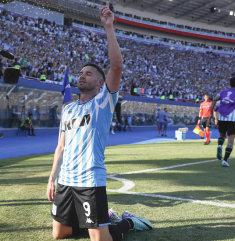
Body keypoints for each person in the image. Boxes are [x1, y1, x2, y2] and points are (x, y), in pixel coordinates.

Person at [46, 3, 152, 241]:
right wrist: (52, 178)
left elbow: (116, 66)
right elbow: (60, 147)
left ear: (100, 83)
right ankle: (102, 218)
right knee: (59, 235)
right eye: (81, 72)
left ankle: (126, 222)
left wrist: (108, 27)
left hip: (89, 181)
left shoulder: (103, 102)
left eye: (89, 73)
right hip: (65, 180)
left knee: (101, 240)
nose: (82, 75)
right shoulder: (68, 108)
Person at [210, 77, 235, 167]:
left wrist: (211, 113)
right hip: (233, 118)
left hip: (222, 116)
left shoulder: (223, 92)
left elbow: (215, 100)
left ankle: (220, 145)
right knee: (231, 139)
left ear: (230, 84)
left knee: (222, 135)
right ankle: (225, 160)